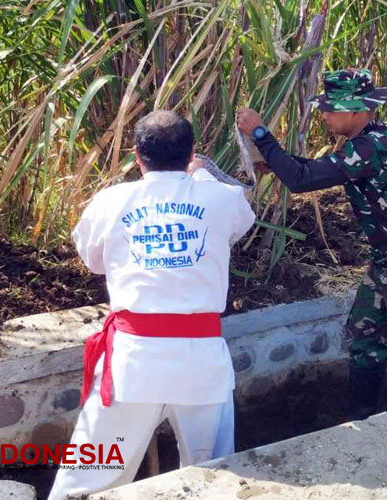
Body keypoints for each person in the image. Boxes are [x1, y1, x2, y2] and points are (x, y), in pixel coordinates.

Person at [48, 110, 256, 499]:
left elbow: (94, 262)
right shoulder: (220, 198)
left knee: (89, 474)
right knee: (213, 474)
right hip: (201, 363)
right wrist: (202, 173)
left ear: (136, 154)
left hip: (133, 363)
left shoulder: (110, 201)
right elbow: (240, 221)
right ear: (192, 151)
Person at [236, 69, 387, 426]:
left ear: (358, 111)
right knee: (365, 338)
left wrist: (262, 135)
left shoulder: (372, 146)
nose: (324, 114)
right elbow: (316, 169)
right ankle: (363, 419)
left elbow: (303, 180)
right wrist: (273, 161)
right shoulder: (363, 144)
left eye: (331, 108)